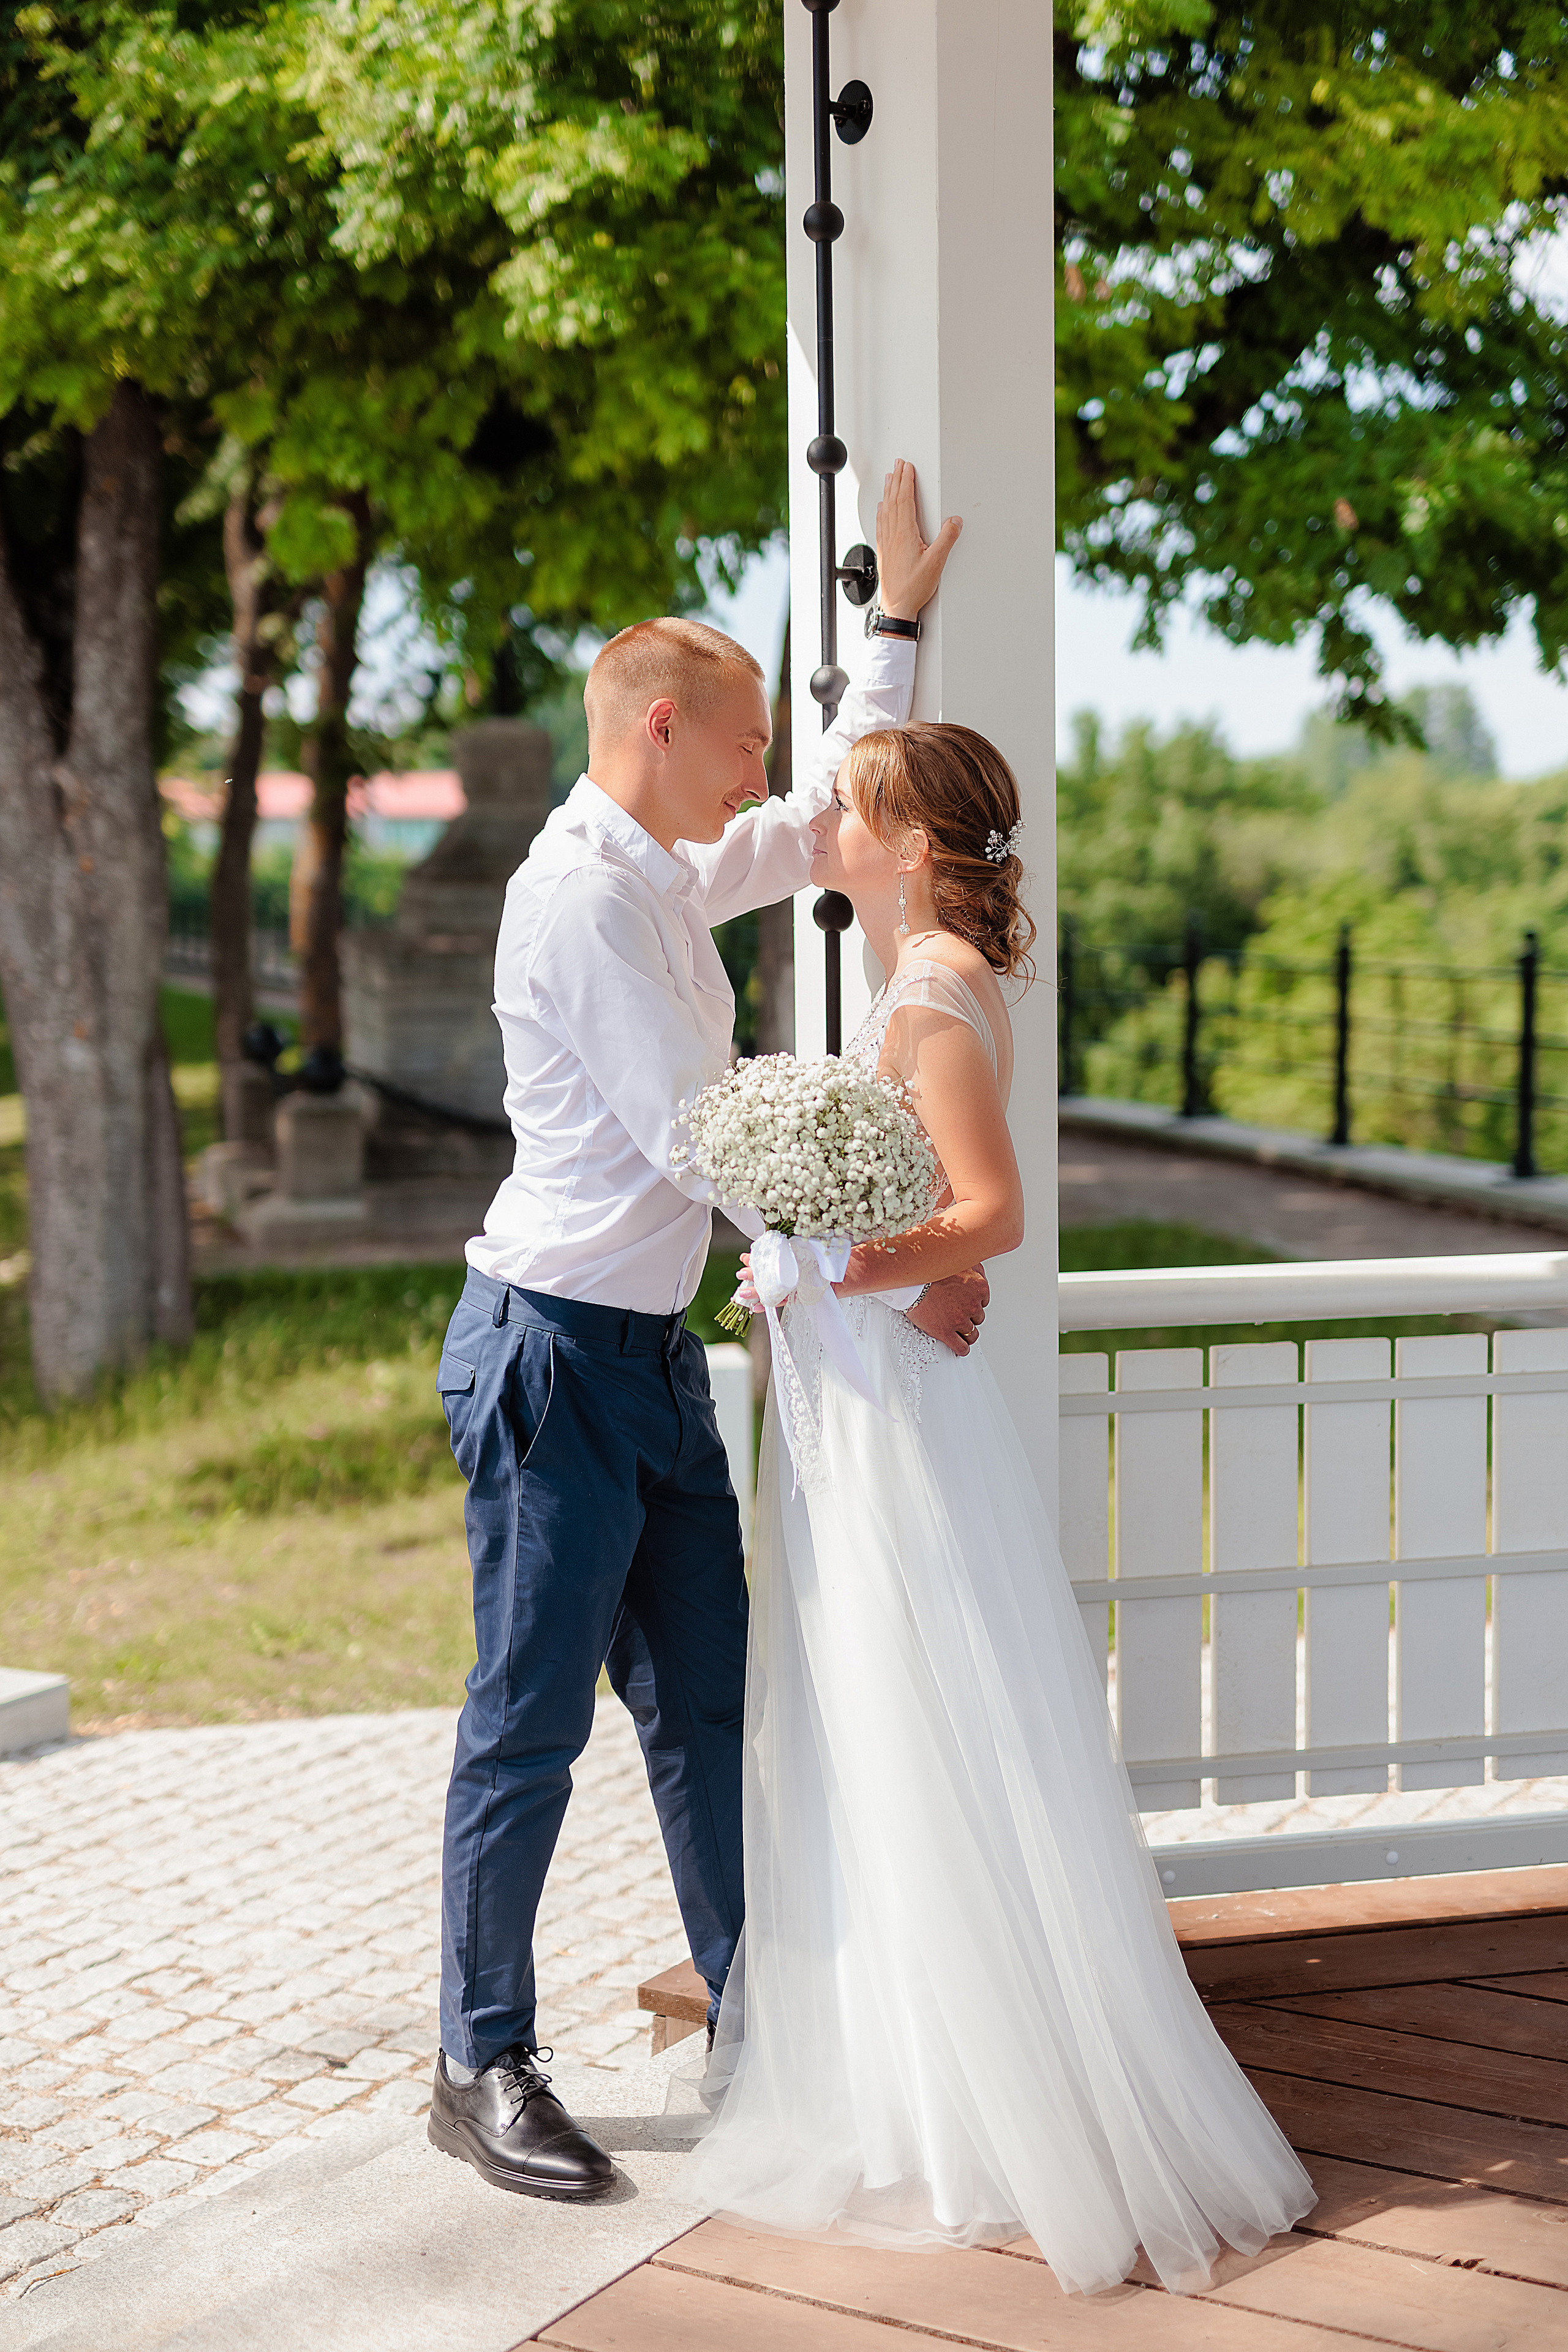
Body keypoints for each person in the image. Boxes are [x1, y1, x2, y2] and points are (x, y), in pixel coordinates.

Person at [674, 722, 1317, 2294]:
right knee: (876, 1722)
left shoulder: (932, 989)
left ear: (907, 841)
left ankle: (979, 2115)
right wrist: (867, 1268)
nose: (819, 819)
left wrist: (824, 1266)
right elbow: (933, 1228)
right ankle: (914, 2084)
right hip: (876, 1390)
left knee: (916, 1713)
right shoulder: (923, 969)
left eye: (848, 803)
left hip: (899, 1418)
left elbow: (994, 1212)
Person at [426, 464, 974, 2200]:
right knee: (530, 1719)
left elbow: (830, 820)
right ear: (662, 727)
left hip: (655, 1361)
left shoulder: (667, 864)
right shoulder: (580, 897)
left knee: (706, 1713)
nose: (761, 769)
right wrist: (895, 1256)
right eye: (739, 740)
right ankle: (482, 2056)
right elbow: (705, 1132)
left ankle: (761, 2030)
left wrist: (892, 626)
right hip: (551, 1356)